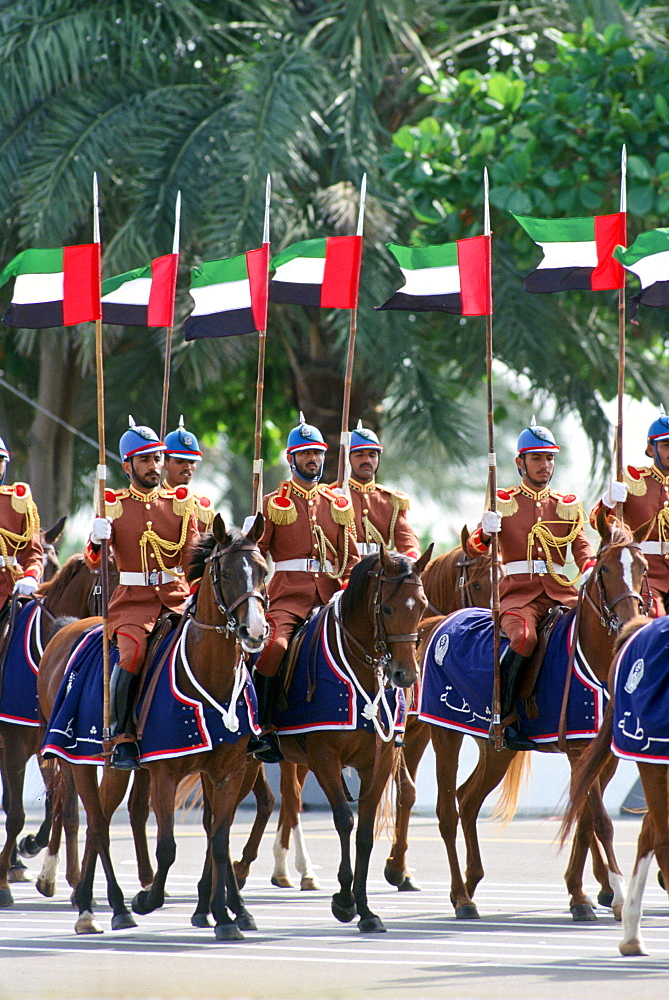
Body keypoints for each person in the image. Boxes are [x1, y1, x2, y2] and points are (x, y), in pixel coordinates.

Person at [467, 418, 595, 750]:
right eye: (537, 458)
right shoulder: (503, 501)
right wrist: (484, 529)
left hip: (560, 594)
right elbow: (474, 549)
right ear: (520, 462)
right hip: (518, 597)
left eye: (549, 458)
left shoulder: (565, 505)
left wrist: (592, 566)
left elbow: (580, 546)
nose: (545, 465)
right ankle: (505, 717)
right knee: (524, 638)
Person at [85, 418, 199, 770]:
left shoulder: (179, 503)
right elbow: (94, 563)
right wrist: (95, 538)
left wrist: (195, 593)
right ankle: (122, 736)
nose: (154, 466)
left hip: (177, 596)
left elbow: (193, 557)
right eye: (145, 460)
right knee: (132, 654)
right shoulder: (113, 504)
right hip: (133, 603)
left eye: (157, 458)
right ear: (127, 466)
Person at [251, 414, 359, 762]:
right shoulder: (272, 503)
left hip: (332, 596)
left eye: (318, 453)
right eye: (306, 454)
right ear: (291, 458)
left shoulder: (337, 503)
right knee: (275, 647)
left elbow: (351, 558)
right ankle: (264, 726)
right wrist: (247, 536)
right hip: (288, 596)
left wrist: (346, 588)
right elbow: (256, 557)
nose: (313, 460)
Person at [592, 407, 669, 615]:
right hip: (643, 574)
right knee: (655, 619)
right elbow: (596, 521)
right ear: (651, 450)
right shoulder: (633, 481)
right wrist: (609, 499)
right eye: (666, 445)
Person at [336, 421, 421, 559]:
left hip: (380, 569)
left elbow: (405, 535)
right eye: (359, 455)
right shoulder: (333, 495)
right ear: (347, 458)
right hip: (344, 566)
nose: (367, 460)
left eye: (372, 455)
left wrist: (411, 553)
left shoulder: (389, 499)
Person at [0, 434, 43, 610]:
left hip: (11, 588)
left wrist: (31, 577)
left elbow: (33, 554)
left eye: (0, 461)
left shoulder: (17, 502)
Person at [163, 415, 215, 533]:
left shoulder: (203, 506)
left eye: (192, 462)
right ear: (165, 464)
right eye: (179, 461)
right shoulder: (153, 501)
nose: (187, 467)